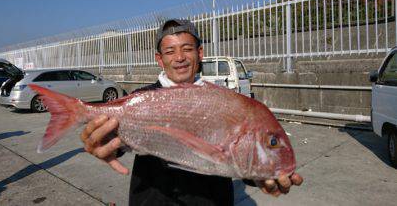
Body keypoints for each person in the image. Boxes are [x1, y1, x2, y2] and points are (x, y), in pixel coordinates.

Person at [80, 19, 303, 205]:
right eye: (170, 51)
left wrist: (260, 175)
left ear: (200, 53)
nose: (179, 57)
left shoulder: (226, 101)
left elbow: (239, 157)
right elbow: (115, 143)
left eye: (187, 49)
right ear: (160, 59)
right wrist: (99, 143)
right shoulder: (141, 98)